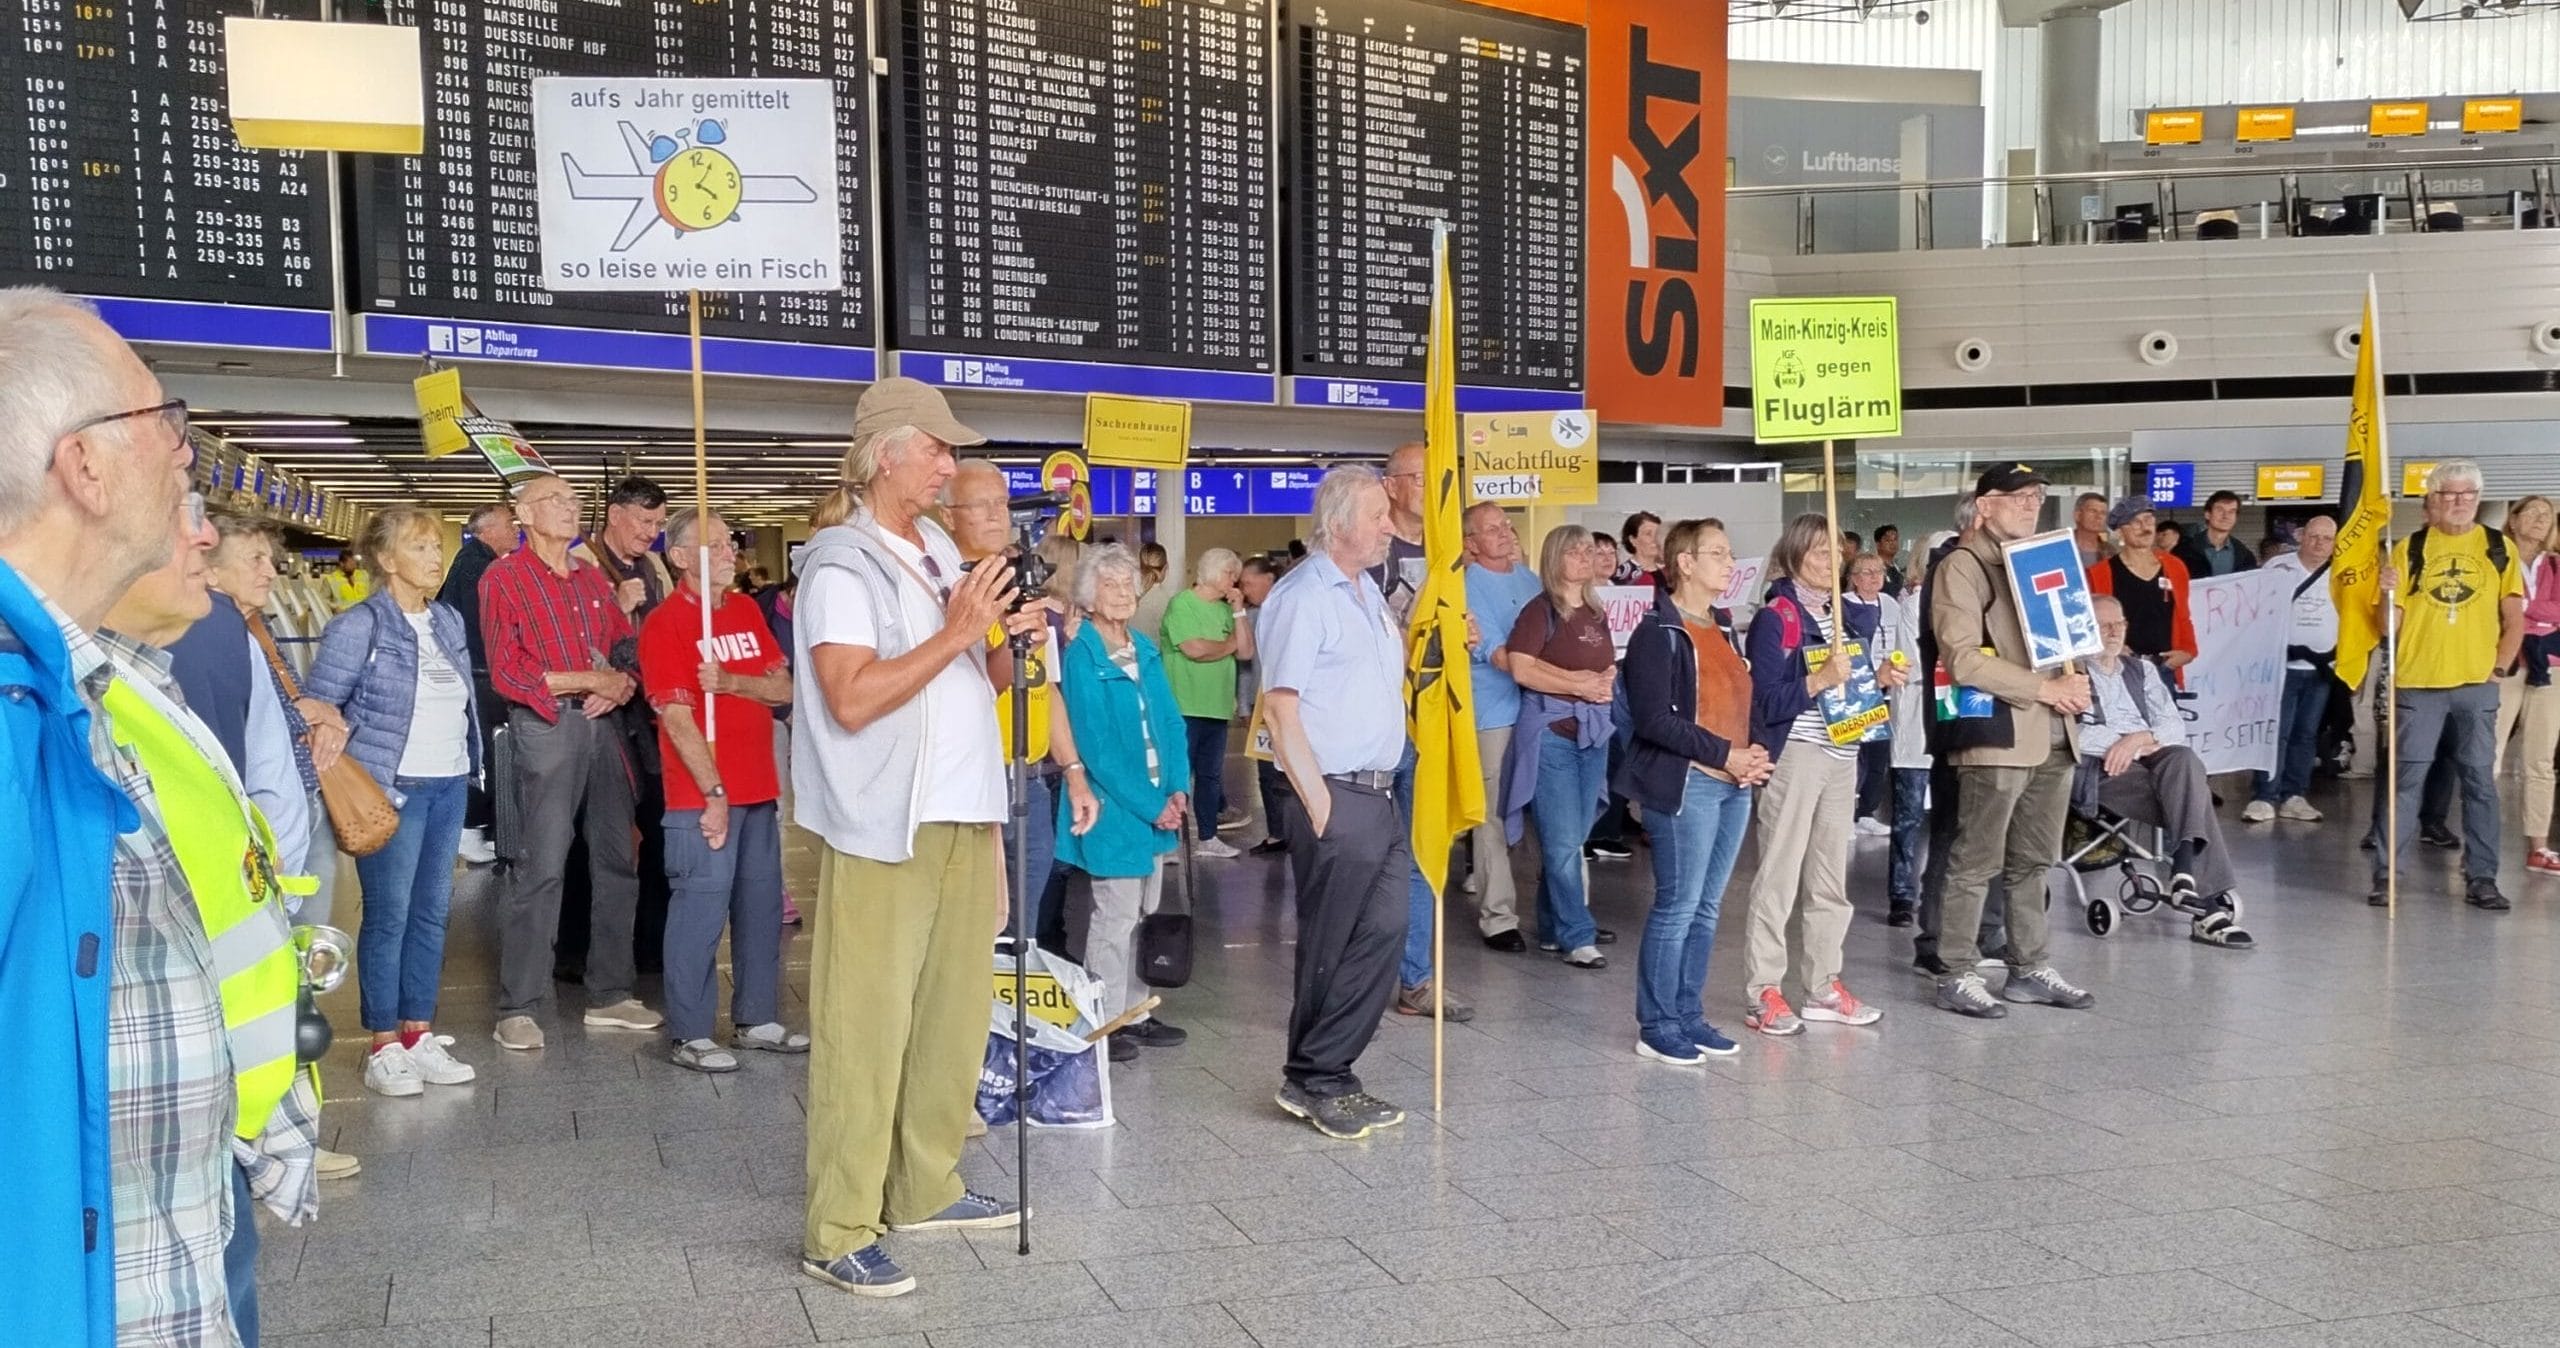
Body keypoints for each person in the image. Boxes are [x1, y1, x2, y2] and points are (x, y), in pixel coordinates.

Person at [0, 287, 208, 1346]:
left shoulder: (69, 700)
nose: (186, 455)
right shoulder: (12, 723)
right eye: (165, 422)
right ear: (83, 465)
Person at [794, 378, 1028, 1298]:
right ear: (886, 451)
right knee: (867, 1027)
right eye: (936, 447)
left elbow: (984, 677)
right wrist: (959, 628)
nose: (950, 463)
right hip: (887, 822)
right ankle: (838, 1223)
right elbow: (852, 698)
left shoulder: (933, 545)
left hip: (966, 811)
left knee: (951, 1016)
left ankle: (924, 1186)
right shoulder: (840, 567)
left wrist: (1005, 634)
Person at [102, 504, 322, 1348]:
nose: (202, 538)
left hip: (214, 1111)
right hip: (129, 1142)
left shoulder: (160, 682)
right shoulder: (58, 707)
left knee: (225, 1283)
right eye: (179, 510)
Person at [303, 505, 485, 1098]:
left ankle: (417, 1033)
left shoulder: (449, 621)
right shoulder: (359, 625)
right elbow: (316, 706)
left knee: (433, 913)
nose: (435, 558)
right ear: (386, 560)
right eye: (421, 547)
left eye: (438, 546)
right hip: (392, 790)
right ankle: (382, 1042)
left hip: (449, 782)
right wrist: (334, 746)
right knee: (390, 915)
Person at [1258, 464, 1414, 1140]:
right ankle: (1312, 1077)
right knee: (1332, 940)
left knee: (1382, 933)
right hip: (1335, 796)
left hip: (1379, 794)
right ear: (1341, 520)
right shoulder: (1303, 596)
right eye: (1380, 515)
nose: (1389, 526)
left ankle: (1332, 1068)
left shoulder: (1366, 594)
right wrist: (1321, 807)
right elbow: (1279, 705)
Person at [479, 472, 658, 1050]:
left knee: (615, 859)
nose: (570, 507)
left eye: (574, 499)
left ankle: (610, 992)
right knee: (544, 865)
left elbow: (625, 647)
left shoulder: (588, 580)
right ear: (523, 515)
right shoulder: (503, 577)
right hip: (548, 727)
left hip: (603, 726)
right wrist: (589, 678)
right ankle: (520, 1005)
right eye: (554, 500)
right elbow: (508, 670)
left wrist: (620, 683)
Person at [639, 508, 808, 1073]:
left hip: (759, 789)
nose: (728, 551)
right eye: (712, 544)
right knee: (699, 913)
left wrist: (732, 681)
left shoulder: (743, 612)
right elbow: (678, 717)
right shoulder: (666, 624)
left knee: (760, 910)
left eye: (729, 541)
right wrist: (712, 790)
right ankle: (690, 1032)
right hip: (702, 797)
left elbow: (782, 686)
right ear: (681, 558)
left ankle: (756, 1018)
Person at [1928, 463, 2098, 1019]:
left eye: (2037, 497)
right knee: (1977, 860)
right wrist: (2046, 690)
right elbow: (1962, 658)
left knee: (2033, 862)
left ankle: (2029, 966)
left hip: (2053, 732)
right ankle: (1956, 971)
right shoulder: (1963, 565)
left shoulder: (2037, 562)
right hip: (1999, 732)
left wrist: (2074, 684)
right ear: (1984, 505)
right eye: (2018, 496)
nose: (2031, 505)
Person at [1621, 519, 1771, 1065]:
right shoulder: (1658, 633)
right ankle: (1657, 1022)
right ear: (1684, 562)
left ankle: (1688, 1013)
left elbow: (1740, 704)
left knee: (1707, 908)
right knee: (1678, 905)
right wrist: (1724, 754)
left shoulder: (1724, 628)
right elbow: (1655, 719)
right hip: (1691, 782)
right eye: (1718, 553)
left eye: (1731, 554)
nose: (1730, 564)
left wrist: (1751, 751)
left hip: (1731, 782)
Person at [1738, 515, 1896, 1035]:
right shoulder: (1775, 617)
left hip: (1841, 752)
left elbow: (1845, 690)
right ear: (1793, 557)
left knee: (1831, 879)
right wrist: (1819, 678)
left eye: (1835, 552)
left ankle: (1824, 984)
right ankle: (1764, 990)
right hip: (1797, 756)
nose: (1830, 561)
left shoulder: (1840, 615)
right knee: (1780, 875)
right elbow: (1765, 701)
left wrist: (1878, 680)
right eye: (1817, 552)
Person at [943, 462, 1095, 958]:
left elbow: (1044, 686)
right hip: (977, 778)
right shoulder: (947, 590)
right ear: (949, 516)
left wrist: (1072, 770)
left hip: (1030, 777)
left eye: (1001, 503)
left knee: (1024, 928)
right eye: (980, 505)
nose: (996, 515)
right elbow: (969, 687)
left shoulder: (1021, 591)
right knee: (978, 927)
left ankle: (1014, 1026)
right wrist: (1011, 641)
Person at [1055, 545, 1193, 1062]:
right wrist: (1150, 803)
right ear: (1089, 596)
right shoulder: (1083, 654)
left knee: (1146, 913)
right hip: (1114, 811)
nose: (1121, 592)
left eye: (1127, 583)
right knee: (1114, 920)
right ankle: (1105, 1020)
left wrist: (1178, 788)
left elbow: (1172, 722)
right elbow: (1096, 748)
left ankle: (1136, 1011)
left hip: (1159, 806)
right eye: (1109, 584)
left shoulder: (1143, 647)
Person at [166, 514, 337, 930]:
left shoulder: (255, 627)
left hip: (300, 812)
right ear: (210, 570)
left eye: (270, 558)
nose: (270, 570)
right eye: (254, 559)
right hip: (261, 844)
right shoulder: (210, 636)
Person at [2369, 459, 2524, 909]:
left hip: (2476, 686)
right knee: (2405, 782)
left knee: (2478, 781)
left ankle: (2482, 877)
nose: (2458, 503)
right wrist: (2386, 593)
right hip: (2418, 685)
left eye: (2467, 495)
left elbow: (2514, 620)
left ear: (2477, 499)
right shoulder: (2409, 549)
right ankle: (2387, 875)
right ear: (2430, 502)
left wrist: (2496, 670)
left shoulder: (2499, 548)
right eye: (2448, 495)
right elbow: (2387, 628)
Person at [2081, 595, 2255, 947]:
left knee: (2184, 760)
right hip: (2104, 768)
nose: (2115, 632)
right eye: (2105, 625)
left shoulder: (2142, 670)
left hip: (2152, 757)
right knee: (2192, 796)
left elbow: (2174, 727)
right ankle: (2202, 903)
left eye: (2120, 624)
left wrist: (2140, 739)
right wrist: (2127, 743)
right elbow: (2075, 732)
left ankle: (2186, 875)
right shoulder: (2071, 673)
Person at [1371, 441, 1474, 1021]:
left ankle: (1417, 979)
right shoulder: (1372, 552)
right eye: (1422, 476)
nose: (1435, 487)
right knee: (1364, 855)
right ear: (1391, 485)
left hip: (1429, 721)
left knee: (1421, 851)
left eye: (1442, 477)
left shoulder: (1446, 550)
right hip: (1375, 721)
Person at [1497, 525, 1621, 971]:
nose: (1586, 557)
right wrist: (1578, 686)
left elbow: (1604, 663)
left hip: (1592, 730)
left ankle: (1552, 925)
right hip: (1551, 732)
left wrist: (1604, 682)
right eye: (1575, 551)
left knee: (1573, 834)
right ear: (1555, 558)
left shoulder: (1595, 610)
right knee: (1564, 838)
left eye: (1589, 550)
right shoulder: (1539, 611)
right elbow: (1522, 668)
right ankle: (1576, 933)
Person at [572, 475, 675, 982]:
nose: (651, 533)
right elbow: (574, 644)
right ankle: (578, 949)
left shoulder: (655, 567)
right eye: (644, 521)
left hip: (652, 712)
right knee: (593, 837)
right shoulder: (580, 565)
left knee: (660, 828)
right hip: (603, 715)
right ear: (614, 515)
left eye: (658, 524)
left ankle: (651, 945)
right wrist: (619, 606)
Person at [1913, 494, 2008, 976]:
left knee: (1992, 832)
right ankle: (1934, 937)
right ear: (1978, 520)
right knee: (1954, 831)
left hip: (2002, 715)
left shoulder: (1996, 568)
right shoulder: (1950, 570)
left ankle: (1988, 933)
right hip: (1961, 712)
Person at [1459, 503, 1536, 949]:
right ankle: (1498, 916)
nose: (1505, 534)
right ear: (1471, 543)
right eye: (1493, 529)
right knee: (1491, 813)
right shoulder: (1468, 587)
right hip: (1494, 712)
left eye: (1507, 526)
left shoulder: (1531, 581)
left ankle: (1565, 916)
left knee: (1548, 814)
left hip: (1542, 708)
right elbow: (1502, 656)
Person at [2245, 514, 2339, 825]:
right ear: (2301, 536)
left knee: (2306, 734)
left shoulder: (2343, 573)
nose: (2319, 543)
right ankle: (2264, 795)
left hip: (2322, 668)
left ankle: (2294, 794)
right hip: (2280, 667)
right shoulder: (2277, 567)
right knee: (2276, 732)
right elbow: (2255, 609)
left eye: (2327, 538)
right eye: (2313, 536)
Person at [438, 501, 517, 864]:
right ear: (487, 531)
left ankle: (481, 827)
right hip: (479, 675)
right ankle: (472, 828)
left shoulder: (472, 562)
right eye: (508, 524)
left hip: (473, 672)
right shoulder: (479, 567)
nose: (515, 530)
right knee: (484, 751)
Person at [1162, 547, 1251, 859]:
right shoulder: (1182, 604)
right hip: (1183, 705)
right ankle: (1169, 840)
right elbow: (1194, 649)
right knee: (1177, 775)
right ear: (1214, 572)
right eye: (1230, 574)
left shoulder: (1227, 610)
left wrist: (1239, 612)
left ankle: (1208, 837)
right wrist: (1229, 644)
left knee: (1211, 776)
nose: (1235, 581)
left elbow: (1246, 652)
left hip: (1217, 705)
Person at [1885, 538, 1937, 926]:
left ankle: (1941, 891)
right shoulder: (1912, 605)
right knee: (1909, 813)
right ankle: (1902, 893)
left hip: (1956, 715)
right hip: (1918, 712)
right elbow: (1915, 661)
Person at [2088, 498, 2198, 679]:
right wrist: (2109, 647)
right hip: (2118, 667)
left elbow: (2183, 616)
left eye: (2149, 520)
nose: (2145, 527)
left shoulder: (2175, 567)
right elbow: (2090, 623)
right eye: (2136, 522)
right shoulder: (2099, 573)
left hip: (2164, 667)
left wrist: (2188, 650)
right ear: (2120, 531)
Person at [1240, 555, 1292, 856]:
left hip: (1291, 703)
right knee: (1267, 772)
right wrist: (1246, 706)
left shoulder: (1289, 610)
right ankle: (1277, 833)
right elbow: (1248, 665)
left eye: (1249, 583)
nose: (1245, 590)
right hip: (1264, 705)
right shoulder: (1253, 617)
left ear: (1269, 580)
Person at [1843, 551, 1895, 835]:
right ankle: (1846, 814)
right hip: (1859, 688)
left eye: (1879, 571)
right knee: (1854, 754)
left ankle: (1867, 811)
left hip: (1887, 690)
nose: (1875, 577)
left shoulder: (1890, 604)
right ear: (1853, 578)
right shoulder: (1844, 605)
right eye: (1867, 572)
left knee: (1878, 754)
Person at [2175, 490, 2259, 577]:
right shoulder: (2184, 551)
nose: (2226, 516)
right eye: (2220, 510)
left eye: (2231, 512)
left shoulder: (2245, 555)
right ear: (2207, 514)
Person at [1617, 511, 1663, 586]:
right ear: (1632, 540)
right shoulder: (1622, 574)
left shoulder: (1668, 575)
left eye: (1657, 534)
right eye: (1648, 534)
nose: (1655, 539)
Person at [2071, 491, 2112, 570]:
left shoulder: (2110, 553)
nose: (2098, 517)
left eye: (2103, 513)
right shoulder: (2063, 548)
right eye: (2093, 511)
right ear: (2077, 515)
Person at [1873, 523, 1907, 596]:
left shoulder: (1896, 568)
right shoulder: (1874, 567)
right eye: (1888, 540)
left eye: (1895, 539)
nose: (1893, 543)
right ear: (1878, 545)